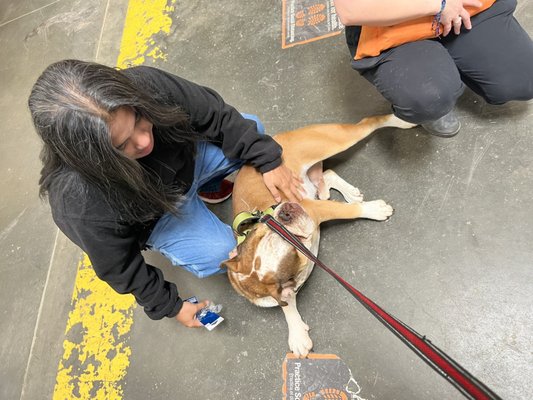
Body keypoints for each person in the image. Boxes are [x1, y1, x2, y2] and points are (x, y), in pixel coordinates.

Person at [28, 60, 303, 328]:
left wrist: (269, 160)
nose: (145, 140)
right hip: (157, 213)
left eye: (139, 118)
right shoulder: (79, 202)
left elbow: (215, 114)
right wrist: (172, 307)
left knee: (250, 129)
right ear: (93, 159)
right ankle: (195, 204)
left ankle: (207, 186)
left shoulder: (145, 84)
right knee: (220, 254)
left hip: (189, 159)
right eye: (123, 145)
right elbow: (121, 267)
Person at [334, 0, 533, 137]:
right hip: (394, 24)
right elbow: (353, 9)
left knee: (523, 78)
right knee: (428, 96)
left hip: (466, 8)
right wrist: (439, 5)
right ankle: (433, 89)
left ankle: (458, 57)